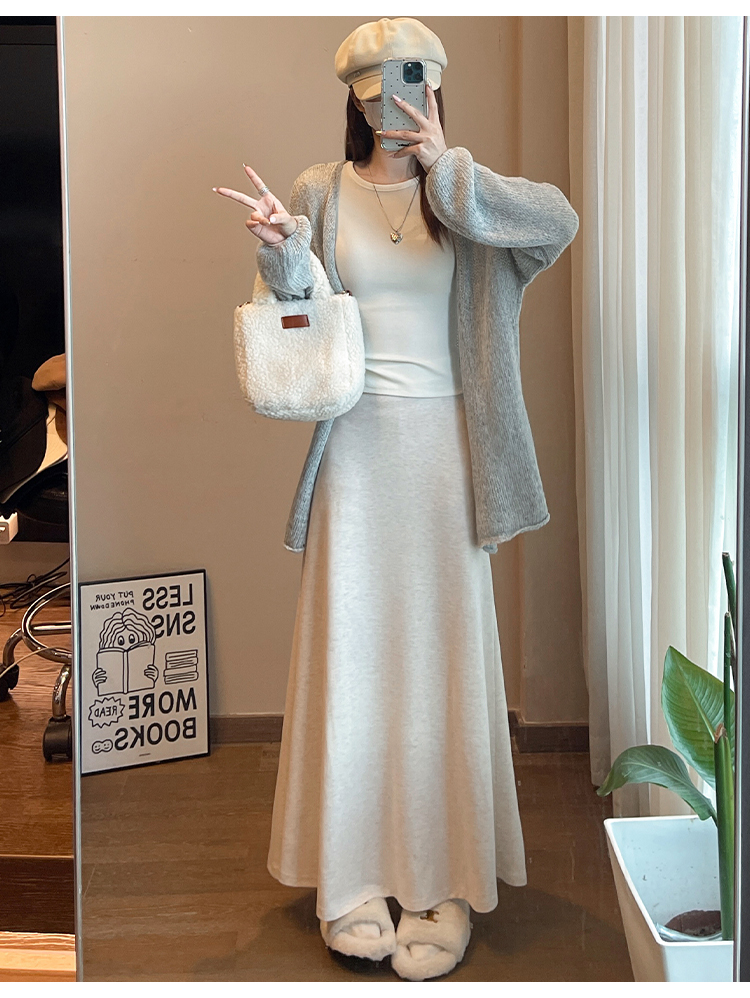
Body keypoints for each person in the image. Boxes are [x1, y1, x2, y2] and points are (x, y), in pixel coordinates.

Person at [215, 16, 579, 982]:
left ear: (435, 89)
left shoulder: (469, 196)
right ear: (353, 99)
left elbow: (559, 223)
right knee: (352, 659)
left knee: (442, 666)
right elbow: (296, 316)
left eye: (410, 86)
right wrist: (284, 257)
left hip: (451, 455)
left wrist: (447, 170)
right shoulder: (317, 190)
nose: (393, 106)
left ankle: (442, 882)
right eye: (374, 91)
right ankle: (352, 881)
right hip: (356, 450)